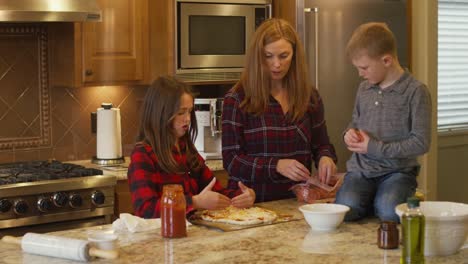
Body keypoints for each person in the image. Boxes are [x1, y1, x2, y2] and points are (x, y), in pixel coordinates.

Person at [221, 18, 338, 203]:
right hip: (252, 204)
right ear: (258, 56)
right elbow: (232, 161)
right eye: (268, 56)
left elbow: (321, 144)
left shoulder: (309, 96)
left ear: (294, 56)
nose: (276, 64)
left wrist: (325, 158)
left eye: (284, 56)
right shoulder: (237, 98)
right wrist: (276, 165)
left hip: (297, 202)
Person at [335, 22, 432, 222]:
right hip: (361, 171)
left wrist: (375, 147)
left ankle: (383, 200)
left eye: (364, 67)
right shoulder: (364, 89)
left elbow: (421, 142)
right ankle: (372, 199)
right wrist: (348, 134)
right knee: (346, 209)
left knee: (388, 211)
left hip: (397, 172)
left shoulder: (416, 91)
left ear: (386, 60)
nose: (360, 73)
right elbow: (354, 122)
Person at [128, 76, 256, 218]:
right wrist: (194, 202)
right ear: (161, 114)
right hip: (160, 236)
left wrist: (242, 196)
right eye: (181, 112)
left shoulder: (187, 150)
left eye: (190, 111)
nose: (188, 119)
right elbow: (146, 209)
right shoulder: (143, 154)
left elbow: (215, 190)